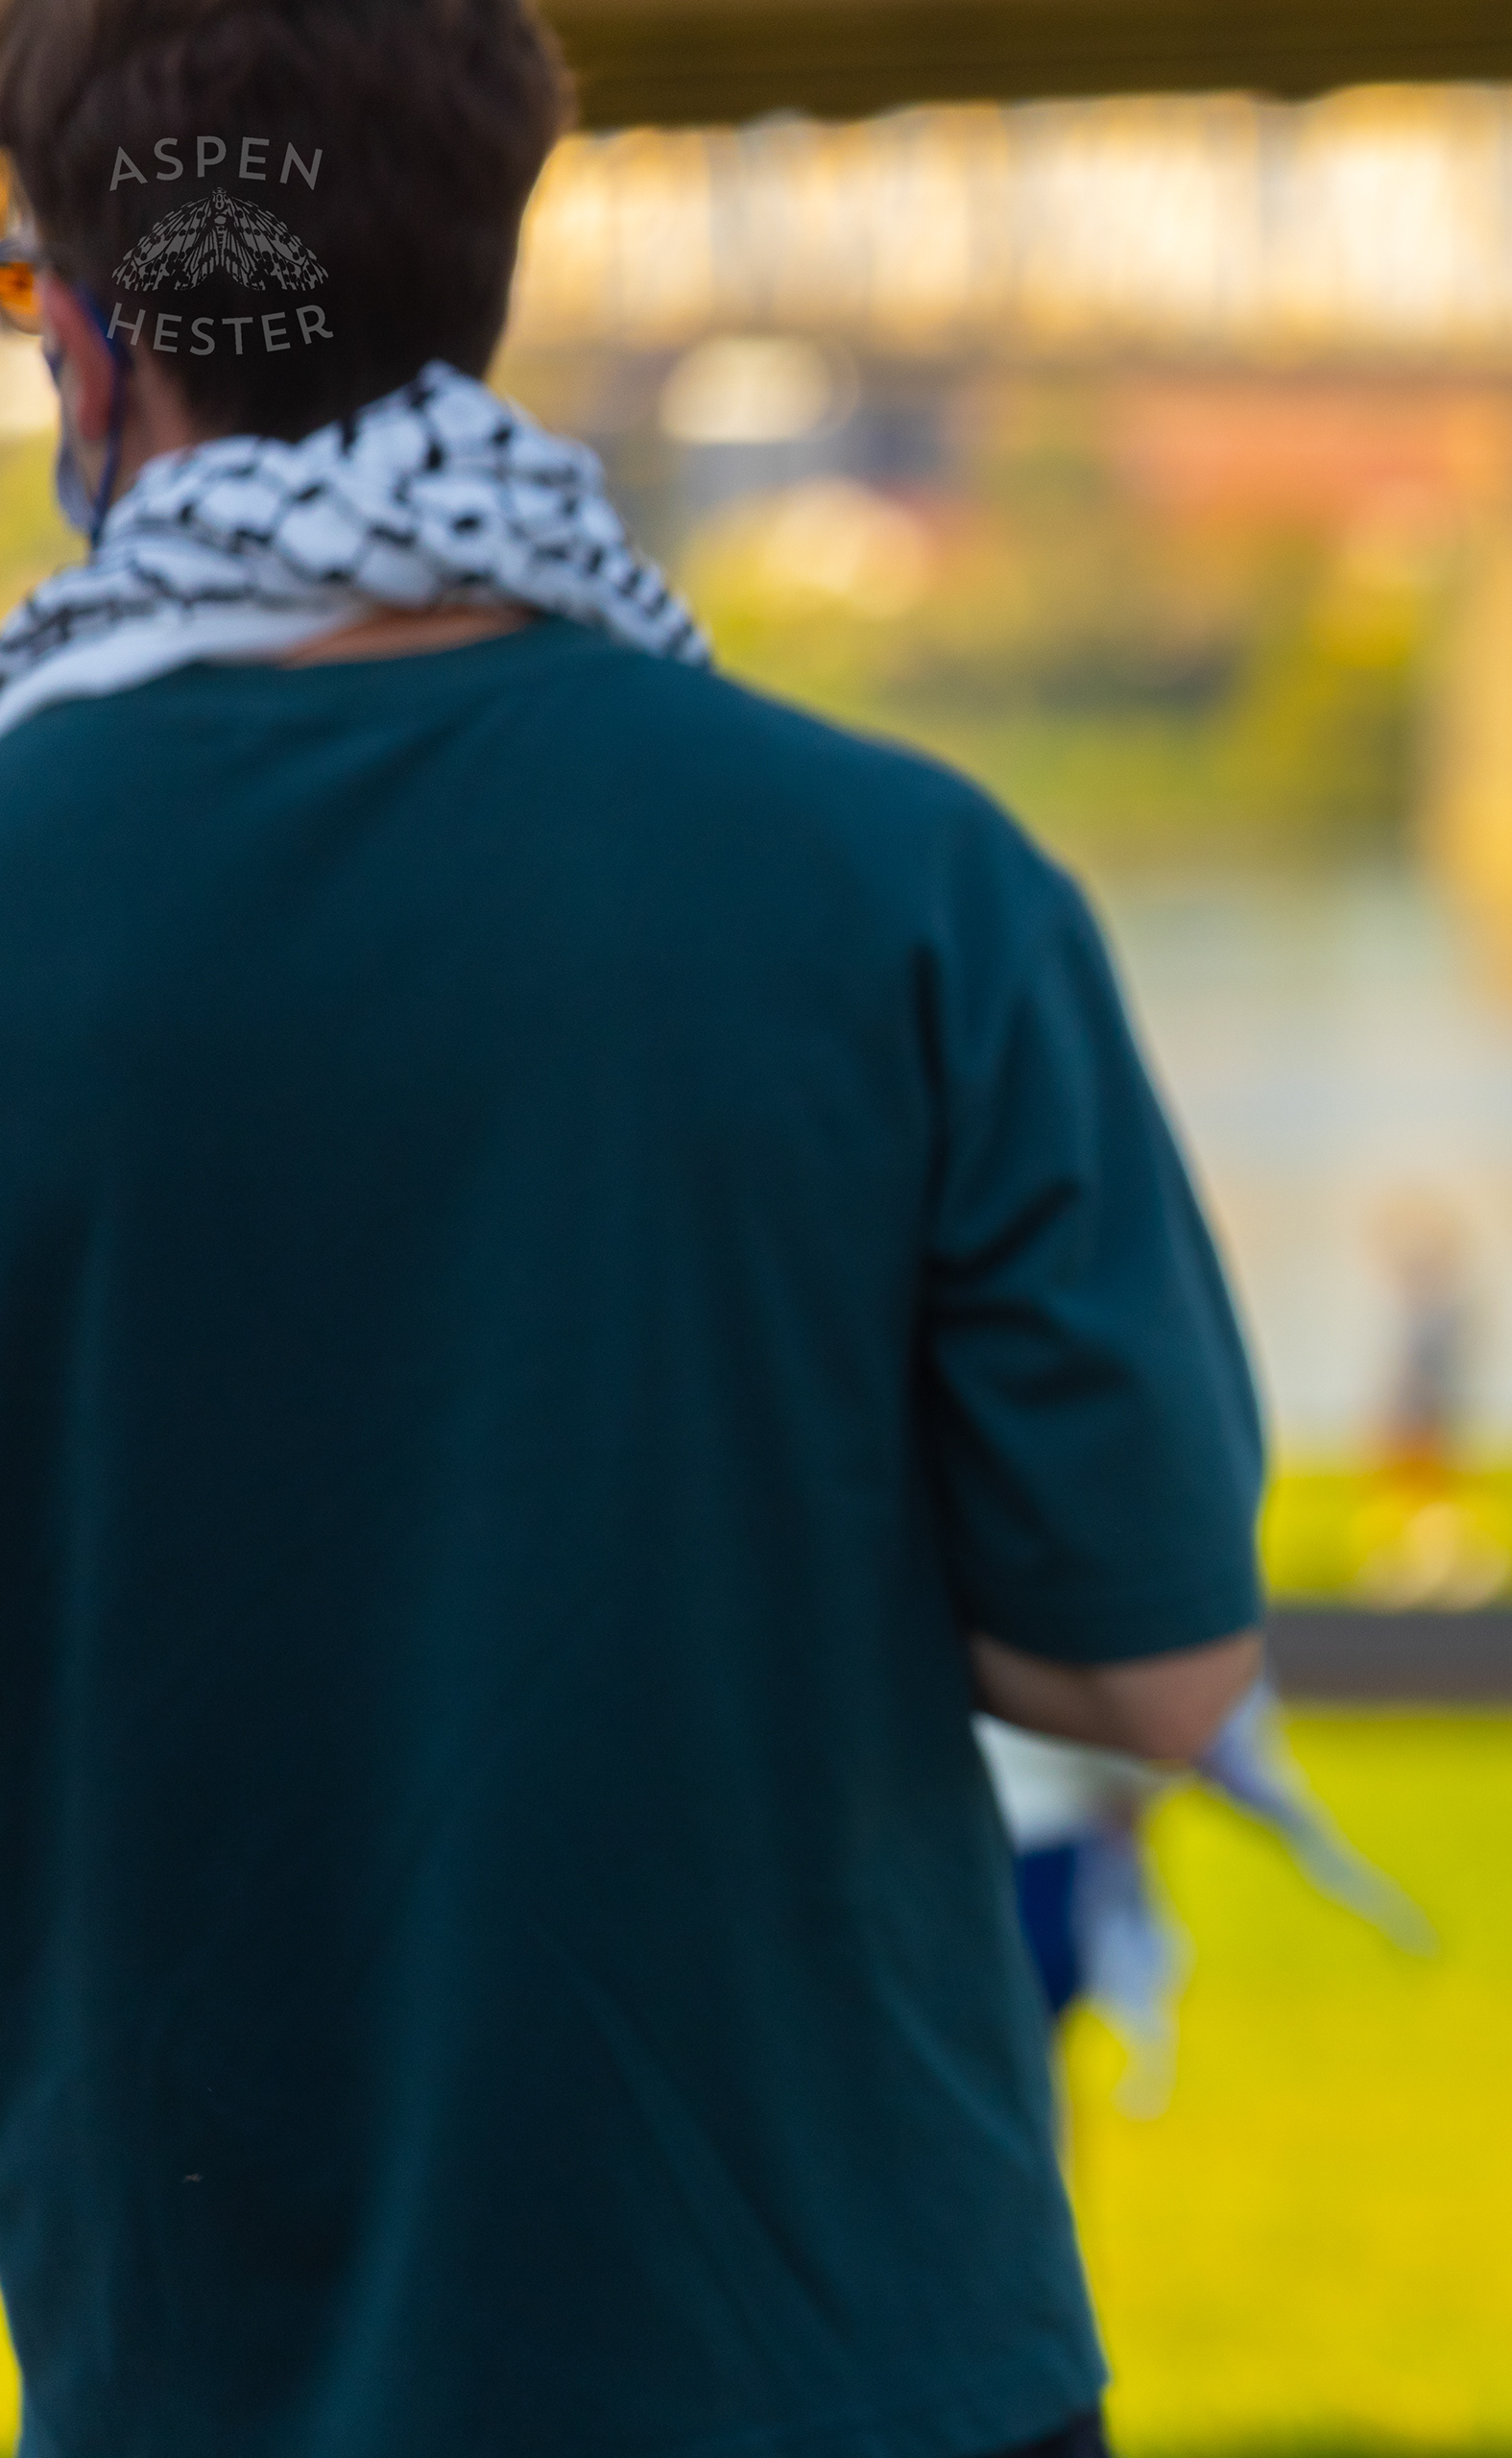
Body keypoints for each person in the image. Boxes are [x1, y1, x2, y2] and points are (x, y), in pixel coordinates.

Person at [0, 6, 1265, 2455]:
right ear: (483, 271)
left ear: (85, 326)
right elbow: (1158, 1672)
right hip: (867, 2367)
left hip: (207, 2374)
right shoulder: (911, 883)